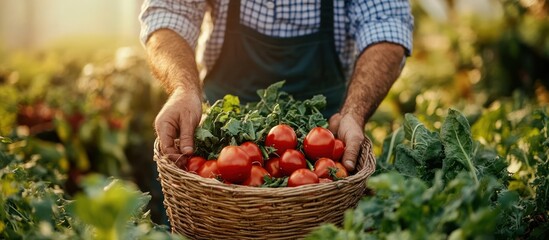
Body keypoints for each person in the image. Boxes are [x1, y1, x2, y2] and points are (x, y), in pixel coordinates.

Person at [140, 0, 413, 171]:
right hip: (220, 128)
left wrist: (354, 112)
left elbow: (386, 22)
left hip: (329, 130)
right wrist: (183, 89)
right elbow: (170, 11)